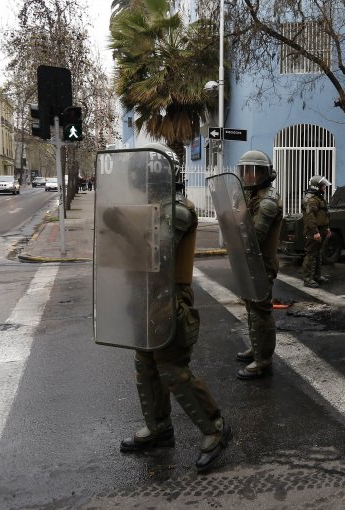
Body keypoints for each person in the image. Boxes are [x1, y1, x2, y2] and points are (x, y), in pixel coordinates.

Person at [119, 143, 232, 473]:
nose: (141, 186)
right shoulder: (152, 207)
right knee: (145, 364)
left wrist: (123, 228)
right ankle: (158, 428)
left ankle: (216, 428)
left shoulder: (179, 210)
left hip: (169, 301)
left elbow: (157, 252)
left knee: (171, 368)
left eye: (144, 180)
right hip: (145, 298)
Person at [234, 150, 284, 380]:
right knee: (251, 308)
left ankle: (263, 360)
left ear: (265, 173)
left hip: (262, 263)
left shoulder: (267, 202)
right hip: (250, 261)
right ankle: (257, 348)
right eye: (244, 171)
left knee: (261, 311)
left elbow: (254, 236)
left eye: (253, 171)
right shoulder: (251, 195)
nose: (248, 175)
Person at [301, 175, 332, 288]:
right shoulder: (311, 199)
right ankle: (307, 279)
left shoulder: (319, 197)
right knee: (310, 255)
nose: (325, 187)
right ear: (317, 186)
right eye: (323, 185)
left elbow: (323, 214)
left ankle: (317, 276)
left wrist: (327, 228)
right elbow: (310, 217)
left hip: (322, 230)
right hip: (313, 231)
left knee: (318, 254)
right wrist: (315, 232)